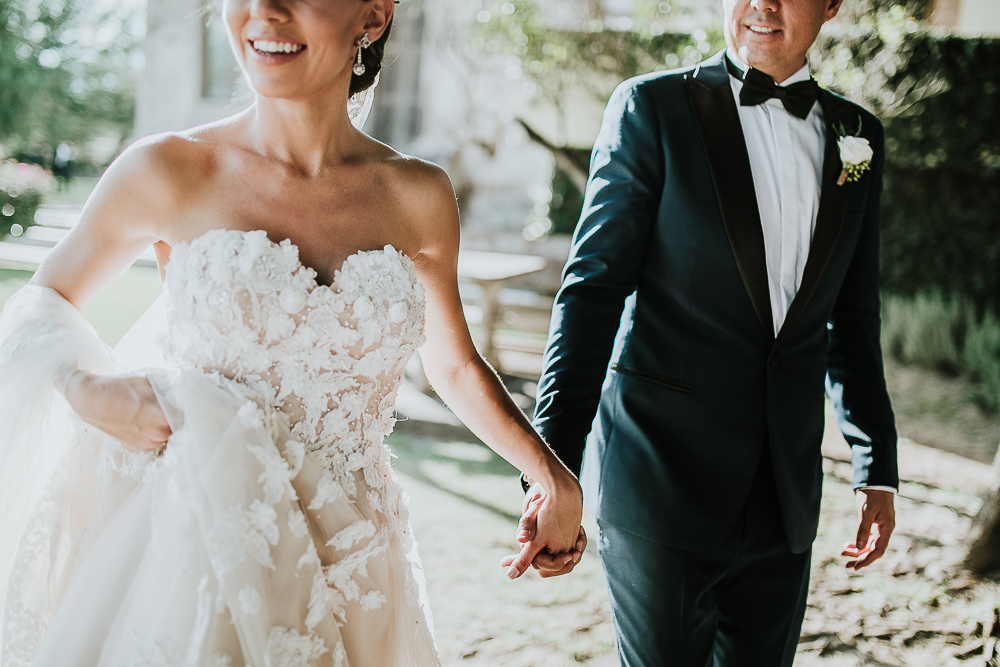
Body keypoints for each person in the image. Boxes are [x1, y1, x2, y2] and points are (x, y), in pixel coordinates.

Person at [0, 0, 585, 664]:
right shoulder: (168, 169)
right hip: (200, 550)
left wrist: (549, 474)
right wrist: (85, 385)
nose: (265, 12)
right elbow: (45, 296)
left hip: (357, 561)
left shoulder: (417, 195)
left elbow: (452, 364)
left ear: (374, 14)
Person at [515, 0, 898, 665]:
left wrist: (877, 465)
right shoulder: (652, 109)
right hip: (660, 484)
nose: (762, 4)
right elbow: (591, 296)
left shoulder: (857, 136)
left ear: (832, 4)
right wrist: (551, 473)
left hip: (785, 500)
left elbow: (853, 317)